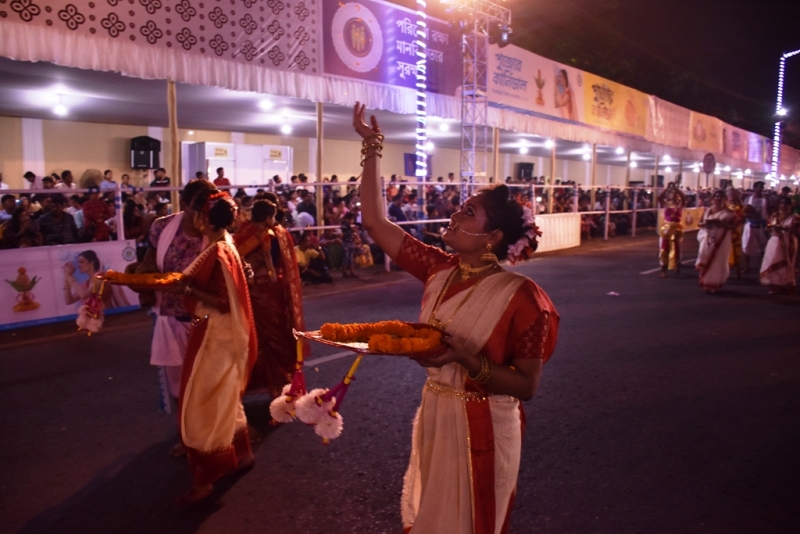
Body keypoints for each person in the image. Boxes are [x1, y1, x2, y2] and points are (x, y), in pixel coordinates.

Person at [353, 102, 559, 534]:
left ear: (494, 237)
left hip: (485, 421)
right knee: (432, 516)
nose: (454, 215)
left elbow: (526, 385)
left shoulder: (523, 298)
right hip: (436, 412)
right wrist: (372, 147)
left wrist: (463, 359)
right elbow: (375, 221)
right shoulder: (438, 268)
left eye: (468, 213)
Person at [165, 189, 256, 504]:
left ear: (205, 218)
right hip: (222, 335)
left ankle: (204, 482)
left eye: (197, 213)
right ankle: (242, 455)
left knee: (199, 408)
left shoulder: (218, 252)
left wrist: (187, 287)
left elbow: (222, 302)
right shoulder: (226, 245)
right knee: (224, 399)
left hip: (216, 335)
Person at [136, 179, 215, 438]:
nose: (201, 215)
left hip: (206, 319)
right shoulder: (162, 227)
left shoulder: (216, 231)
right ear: (184, 204)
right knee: (179, 385)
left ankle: (216, 433)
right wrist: (143, 276)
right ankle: (188, 436)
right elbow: (149, 259)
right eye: (196, 208)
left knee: (209, 382)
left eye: (207, 208)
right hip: (169, 317)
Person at [234, 198, 308, 396]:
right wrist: (273, 274)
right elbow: (269, 260)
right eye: (273, 216)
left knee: (253, 337)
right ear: (268, 217)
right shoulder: (267, 234)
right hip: (266, 290)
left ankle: (256, 384)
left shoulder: (242, 232)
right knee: (278, 336)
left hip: (247, 291)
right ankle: (283, 381)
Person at [695, 191, 736, 293]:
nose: (718, 198)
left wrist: (722, 224)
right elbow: (699, 223)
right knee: (704, 256)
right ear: (713, 198)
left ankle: (714, 284)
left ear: (724, 199)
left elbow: (733, 226)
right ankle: (705, 282)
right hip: (707, 237)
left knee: (717, 260)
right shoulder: (707, 210)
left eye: (721, 197)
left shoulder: (729, 213)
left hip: (721, 239)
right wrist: (705, 224)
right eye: (716, 196)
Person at [760, 197, 799, 294]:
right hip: (774, 242)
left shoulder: (795, 218)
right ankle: (775, 285)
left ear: (790, 206)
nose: (784, 205)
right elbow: (768, 228)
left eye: (786, 203)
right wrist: (770, 229)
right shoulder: (774, 216)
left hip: (788, 242)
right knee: (772, 261)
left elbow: (797, 233)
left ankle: (787, 283)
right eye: (782, 203)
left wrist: (785, 229)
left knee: (787, 263)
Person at [63, 250, 129, 308]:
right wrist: (67, 277)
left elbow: (84, 295)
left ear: (91, 263)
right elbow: (69, 301)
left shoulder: (100, 277)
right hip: (94, 319)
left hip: (108, 317)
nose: (79, 265)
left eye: (82, 262)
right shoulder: (86, 283)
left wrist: (70, 276)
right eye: (78, 263)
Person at [657, 183, 686, 278]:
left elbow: (683, 197)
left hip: (677, 230)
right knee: (664, 249)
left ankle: (676, 264)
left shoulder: (680, 205)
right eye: (671, 193)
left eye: (675, 194)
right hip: (666, 230)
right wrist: (667, 188)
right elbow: (659, 198)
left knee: (677, 249)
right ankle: (663, 270)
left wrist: (675, 188)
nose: (673, 195)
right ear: (668, 195)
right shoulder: (666, 204)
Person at [742, 181, 769, 272]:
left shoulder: (765, 200)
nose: (761, 189)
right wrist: (747, 213)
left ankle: (764, 267)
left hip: (760, 225)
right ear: (754, 188)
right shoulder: (748, 200)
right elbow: (744, 211)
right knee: (746, 246)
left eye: (762, 188)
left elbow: (766, 214)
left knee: (763, 247)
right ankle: (747, 266)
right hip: (749, 224)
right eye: (760, 187)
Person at [726, 188, 745, 279]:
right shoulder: (725, 206)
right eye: (729, 195)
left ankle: (738, 272)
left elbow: (739, 218)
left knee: (735, 251)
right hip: (726, 231)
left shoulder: (738, 207)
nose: (731, 197)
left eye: (733, 195)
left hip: (735, 231)